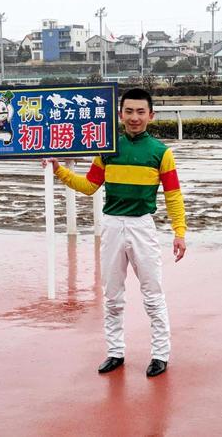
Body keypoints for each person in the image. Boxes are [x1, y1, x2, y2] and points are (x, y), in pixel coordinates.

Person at [42, 88, 186, 377]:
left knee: (153, 293)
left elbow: (173, 195)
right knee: (112, 295)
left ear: (151, 115)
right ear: (120, 115)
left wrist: (179, 231)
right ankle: (115, 351)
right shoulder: (107, 149)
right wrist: (59, 171)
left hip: (142, 225)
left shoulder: (161, 152)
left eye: (140, 112)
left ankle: (160, 354)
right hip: (111, 225)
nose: (135, 117)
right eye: (129, 111)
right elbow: (89, 186)